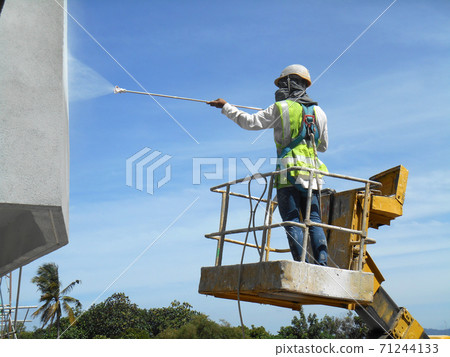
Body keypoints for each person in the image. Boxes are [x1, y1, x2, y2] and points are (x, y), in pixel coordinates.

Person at [207, 64, 328, 266]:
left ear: (288, 83)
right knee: (313, 219)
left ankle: (302, 264)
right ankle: (322, 264)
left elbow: (249, 122)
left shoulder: (281, 108)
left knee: (291, 220)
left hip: (288, 173)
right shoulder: (319, 112)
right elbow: (323, 146)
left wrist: (226, 107)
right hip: (314, 176)